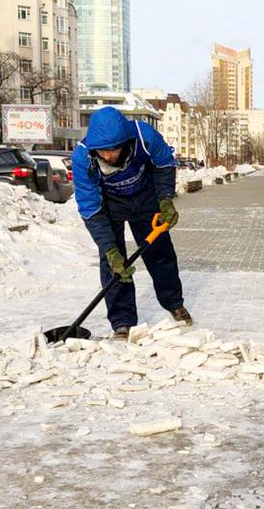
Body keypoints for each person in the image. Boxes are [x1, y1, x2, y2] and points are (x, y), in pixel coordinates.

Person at [72, 106, 192, 339]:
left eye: (114, 149)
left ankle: (174, 303)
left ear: (125, 141)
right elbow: (90, 207)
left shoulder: (144, 136)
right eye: (103, 152)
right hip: (108, 203)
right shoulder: (83, 157)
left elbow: (164, 165)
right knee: (113, 264)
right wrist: (109, 250)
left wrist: (165, 199)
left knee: (160, 253)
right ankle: (122, 322)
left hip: (145, 197)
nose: (109, 156)